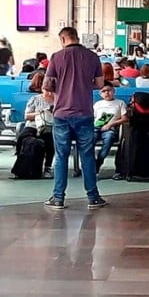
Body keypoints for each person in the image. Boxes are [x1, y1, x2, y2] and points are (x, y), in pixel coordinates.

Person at [42, 26, 106, 210]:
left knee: (61, 156)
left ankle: (58, 198)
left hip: (62, 114)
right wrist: (84, 85)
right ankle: (93, 197)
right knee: (87, 156)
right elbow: (100, 84)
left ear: (63, 39)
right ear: (77, 37)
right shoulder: (93, 57)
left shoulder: (56, 57)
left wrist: (61, 92)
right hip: (84, 113)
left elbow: (46, 87)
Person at [93, 81, 128, 170]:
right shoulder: (97, 104)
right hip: (96, 128)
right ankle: (90, 164)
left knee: (108, 140)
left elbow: (125, 119)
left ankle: (98, 162)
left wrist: (111, 124)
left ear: (113, 91)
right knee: (88, 142)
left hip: (110, 129)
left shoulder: (120, 103)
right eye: (103, 91)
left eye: (109, 90)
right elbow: (92, 118)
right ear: (100, 94)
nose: (106, 93)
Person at [24, 88, 57, 178]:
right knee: (24, 137)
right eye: (47, 90)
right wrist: (40, 113)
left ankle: (47, 167)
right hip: (34, 125)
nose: (50, 93)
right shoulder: (35, 99)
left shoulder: (59, 99)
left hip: (51, 126)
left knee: (50, 139)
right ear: (42, 89)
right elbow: (27, 116)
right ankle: (24, 167)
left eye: (52, 90)